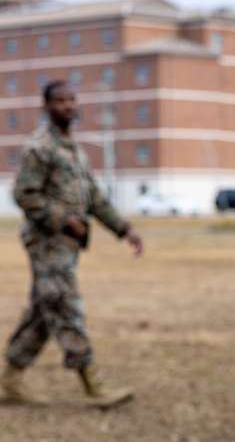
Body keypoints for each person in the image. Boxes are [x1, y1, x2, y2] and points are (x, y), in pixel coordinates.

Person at [1, 81, 143, 409]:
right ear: (45, 106)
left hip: (68, 244)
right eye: (59, 100)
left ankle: (8, 381)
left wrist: (125, 230)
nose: (67, 105)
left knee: (43, 310)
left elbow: (93, 196)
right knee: (64, 304)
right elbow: (25, 194)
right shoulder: (40, 146)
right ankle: (94, 385)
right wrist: (63, 219)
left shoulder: (74, 149)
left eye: (71, 99)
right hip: (47, 242)